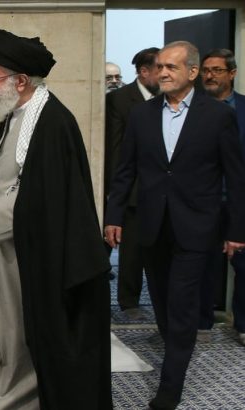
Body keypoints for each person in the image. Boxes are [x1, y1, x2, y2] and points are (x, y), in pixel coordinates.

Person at [0, 29, 112, 409]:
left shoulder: (54, 122)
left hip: (28, 257)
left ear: (21, 81)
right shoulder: (16, 115)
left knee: (17, 335)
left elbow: (53, 196)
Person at [105, 41, 245, 409]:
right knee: (164, 304)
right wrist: (114, 216)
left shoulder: (218, 116)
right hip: (152, 226)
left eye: (171, 67)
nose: (163, 73)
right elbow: (125, 170)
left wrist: (236, 230)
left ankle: (169, 389)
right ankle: (175, 347)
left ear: (193, 72)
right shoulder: (142, 115)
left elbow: (235, 175)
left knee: (182, 304)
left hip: (197, 226)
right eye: (160, 67)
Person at [105, 47, 160, 320]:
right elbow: (115, 149)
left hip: (163, 189)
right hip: (133, 189)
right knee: (132, 252)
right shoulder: (120, 100)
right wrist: (117, 192)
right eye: (160, 68)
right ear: (144, 72)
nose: (165, 74)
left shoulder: (169, 98)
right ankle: (129, 303)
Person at [199, 48, 245, 346]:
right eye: (206, 70)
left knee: (243, 265)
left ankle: (242, 324)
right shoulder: (193, 108)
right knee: (203, 264)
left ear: (232, 73)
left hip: (240, 200)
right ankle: (201, 323)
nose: (210, 76)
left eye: (216, 70)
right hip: (204, 202)